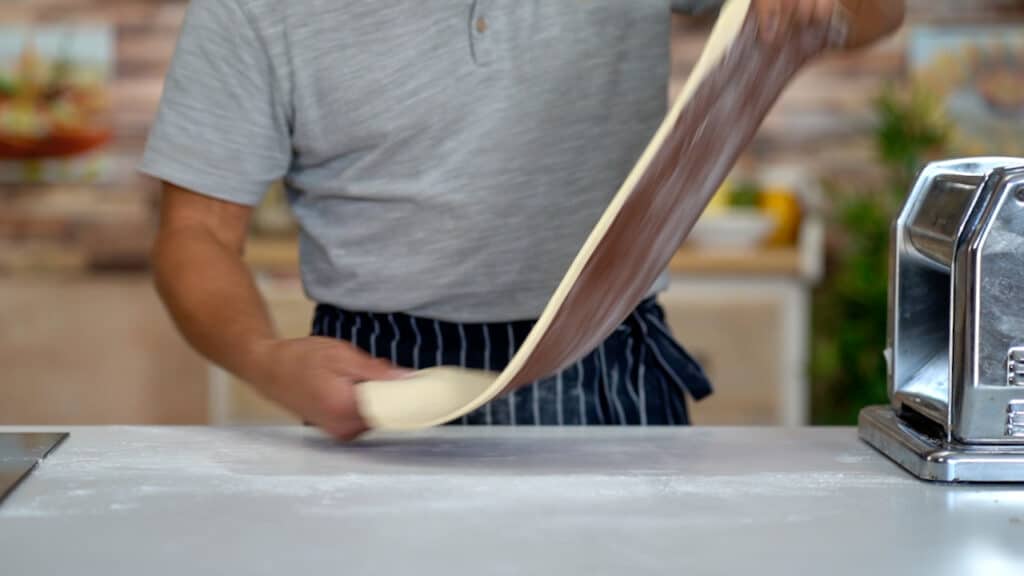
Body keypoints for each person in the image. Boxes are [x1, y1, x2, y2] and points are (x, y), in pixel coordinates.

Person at [142, 0, 904, 440]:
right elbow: (196, 235)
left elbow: (878, 11)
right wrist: (265, 359)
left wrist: (824, 6)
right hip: (379, 385)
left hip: (613, 365)